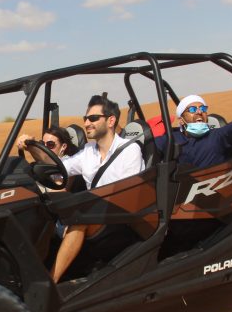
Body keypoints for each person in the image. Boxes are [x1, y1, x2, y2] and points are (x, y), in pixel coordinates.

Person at [19, 93, 144, 283]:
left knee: (80, 217)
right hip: (97, 216)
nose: (87, 123)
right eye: (86, 118)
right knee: (44, 211)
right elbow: (57, 168)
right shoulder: (88, 152)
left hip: (122, 219)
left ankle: (50, 281)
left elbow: (130, 195)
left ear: (111, 121)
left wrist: (89, 206)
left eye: (93, 118)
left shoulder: (129, 150)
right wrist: (32, 147)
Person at [155, 61, 232, 167]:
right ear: (181, 120)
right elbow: (147, 147)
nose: (199, 112)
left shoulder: (218, 137)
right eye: (192, 110)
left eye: (203, 108)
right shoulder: (171, 139)